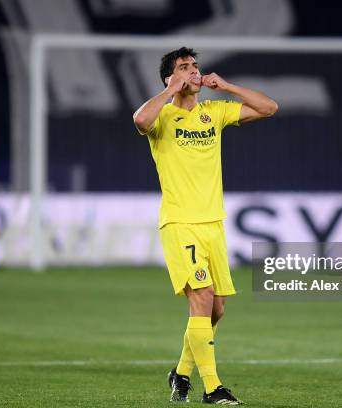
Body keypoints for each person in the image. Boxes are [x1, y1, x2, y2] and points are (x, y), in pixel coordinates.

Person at [133, 47, 277, 404]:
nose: (194, 72)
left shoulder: (214, 113)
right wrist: (170, 89)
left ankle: (181, 373)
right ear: (170, 77)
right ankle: (213, 388)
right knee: (201, 297)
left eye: (195, 66)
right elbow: (139, 120)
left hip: (214, 223)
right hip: (180, 222)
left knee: (216, 309)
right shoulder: (163, 117)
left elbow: (269, 108)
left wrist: (226, 86)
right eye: (184, 68)